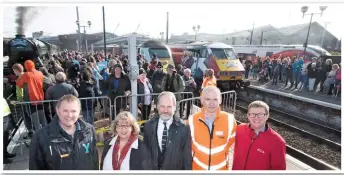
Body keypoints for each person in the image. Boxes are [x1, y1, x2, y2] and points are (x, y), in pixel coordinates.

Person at [29, 95, 99, 170]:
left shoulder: (89, 131)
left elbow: (94, 161)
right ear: (58, 111)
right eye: (65, 111)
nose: (69, 115)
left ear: (79, 111)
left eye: (73, 111)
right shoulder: (40, 137)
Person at [187, 86, 237, 170]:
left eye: (215, 99)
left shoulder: (230, 120)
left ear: (220, 100)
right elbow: (188, 144)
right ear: (202, 100)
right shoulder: (191, 120)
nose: (211, 103)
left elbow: (231, 140)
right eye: (207, 99)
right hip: (198, 168)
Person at [143, 92, 192, 170]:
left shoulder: (184, 128)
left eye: (169, 107)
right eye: (162, 106)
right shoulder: (148, 126)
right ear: (157, 106)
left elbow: (187, 159)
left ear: (175, 107)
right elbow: (145, 155)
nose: (165, 110)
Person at [232, 101, 286, 170]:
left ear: (267, 116)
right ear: (248, 115)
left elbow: (279, 170)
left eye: (260, 114)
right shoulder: (240, 129)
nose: (256, 118)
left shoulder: (278, 142)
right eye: (252, 114)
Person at [3, 98, 16, 164]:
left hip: (5, 116)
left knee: (5, 137)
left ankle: (5, 153)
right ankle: (3, 158)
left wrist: (10, 101)